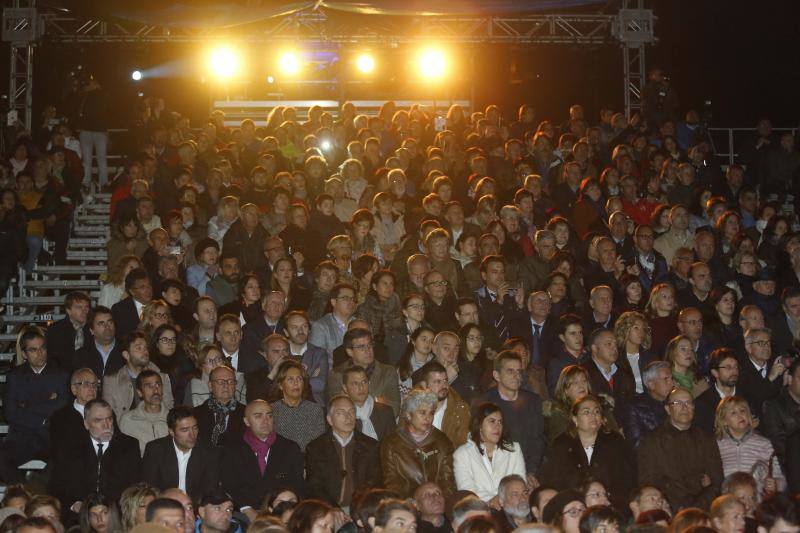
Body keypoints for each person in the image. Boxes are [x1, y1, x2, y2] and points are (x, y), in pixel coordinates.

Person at [49, 399, 142, 520]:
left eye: (109, 419)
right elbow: (56, 486)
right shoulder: (70, 449)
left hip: (117, 515)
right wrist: (74, 504)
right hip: (79, 515)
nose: (106, 425)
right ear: (86, 424)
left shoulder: (129, 446)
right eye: (98, 420)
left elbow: (135, 486)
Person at [540, 395, 636, 512]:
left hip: (611, 505)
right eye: (586, 412)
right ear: (575, 419)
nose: (593, 415)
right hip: (574, 508)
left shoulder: (615, 441)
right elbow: (554, 481)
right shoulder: (562, 444)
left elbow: (628, 478)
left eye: (597, 411)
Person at [637, 387, 724, 511]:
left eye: (688, 403)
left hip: (702, 510)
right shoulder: (652, 441)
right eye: (678, 403)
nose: (684, 407)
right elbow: (648, 483)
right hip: (668, 509)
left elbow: (717, 480)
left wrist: (696, 507)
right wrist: (674, 507)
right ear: (668, 409)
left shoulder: (706, 439)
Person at [219, 400, 304, 522]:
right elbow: (229, 485)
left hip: (281, 512)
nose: (266, 421)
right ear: (247, 421)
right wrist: (246, 509)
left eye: (269, 415)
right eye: (258, 416)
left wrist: (281, 510)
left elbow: (297, 485)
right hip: (243, 512)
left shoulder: (289, 448)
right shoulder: (232, 449)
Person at [2, 326, 69, 476]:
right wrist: (44, 416)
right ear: (24, 354)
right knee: (2, 461)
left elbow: (63, 406)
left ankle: (41, 493)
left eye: (42, 348)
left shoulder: (61, 374)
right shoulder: (15, 376)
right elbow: (10, 413)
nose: (40, 354)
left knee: (63, 464)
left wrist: (27, 406)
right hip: (22, 437)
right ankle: (22, 494)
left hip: (51, 437)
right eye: (33, 350)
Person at [305, 394, 382, 509]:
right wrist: (333, 509)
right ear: (330, 419)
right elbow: (315, 486)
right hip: (327, 508)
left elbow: (374, 483)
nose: (348, 417)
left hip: (362, 508)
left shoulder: (370, 446)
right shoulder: (316, 448)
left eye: (351, 412)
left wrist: (359, 508)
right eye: (341, 413)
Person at [483, 351, 546, 489]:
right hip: (496, 472)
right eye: (510, 371)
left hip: (529, 469)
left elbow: (537, 440)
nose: (517, 376)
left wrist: (530, 471)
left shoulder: (533, 401)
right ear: (496, 375)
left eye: (519, 371)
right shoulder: (485, 403)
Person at [380, 387, 456, 498]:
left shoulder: (442, 442)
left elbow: (448, 482)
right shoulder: (392, 443)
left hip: (436, 503)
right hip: (406, 505)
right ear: (408, 415)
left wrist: (435, 501)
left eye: (431, 413)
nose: (428, 418)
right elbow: (392, 483)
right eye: (422, 413)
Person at [142, 405, 220, 503]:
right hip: (163, 506)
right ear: (171, 432)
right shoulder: (156, 450)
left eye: (195, 428)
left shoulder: (209, 452)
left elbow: (208, 490)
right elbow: (151, 488)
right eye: (185, 430)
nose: (192, 435)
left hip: (194, 507)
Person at [453, 402, 526, 503]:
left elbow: (520, 486)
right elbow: (467, 492)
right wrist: (492, 500)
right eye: (492, 421)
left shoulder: (514, 449)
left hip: (511, 507)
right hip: (478, 511)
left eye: (500, 422)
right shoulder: (462, 454)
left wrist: (501, 500)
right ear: (479, 425)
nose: (497, 427)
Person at [714, 396, 785, 495]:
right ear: (724, 421)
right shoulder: (716, 446)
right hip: (728, 502)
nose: (740, 415)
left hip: (756, 502)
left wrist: (776, 483)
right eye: (733, 413)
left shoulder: (763, 443)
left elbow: (779, 476)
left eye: (743, 411)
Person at [327, 327, 401, 415]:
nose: (368, 350)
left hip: (380, 425)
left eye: (369, 345)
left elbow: (394, 409)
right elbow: (339, 410)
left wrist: (353, 400)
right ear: (350, 351)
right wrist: (376, 401)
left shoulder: (388, 372)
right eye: (361, 347)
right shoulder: (337, 374)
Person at [102, 331, 174, 420]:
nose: (145, 351)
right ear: (126, 355)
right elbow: (108, 417)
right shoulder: (112, 382)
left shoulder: (162, 377)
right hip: (126, 431)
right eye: (138, 348)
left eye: (145, 348)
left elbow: (169, 410)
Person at [269, 359, 326, 452]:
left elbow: (318, 445)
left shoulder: (315, 410)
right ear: (280, 385)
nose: (296, 383)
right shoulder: (272, 410)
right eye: (290, 379)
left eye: (299, 379)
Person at [412, 361, 471, 448]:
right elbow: (402, 442)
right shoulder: (412, 406)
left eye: (445, 380)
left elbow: (464, 447)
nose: (444, 386)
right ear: (425, 385)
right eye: (437, 382)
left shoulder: (460, 409)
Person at [619, 361, 675, 448]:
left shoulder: (676, 402)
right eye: (666, 379)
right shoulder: (633, 408)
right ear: (651, 384)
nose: (672, 383)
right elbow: (636, 444)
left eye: (672, 379)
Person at [580, 328, 635, 412]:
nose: (614, 348)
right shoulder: (582, 373)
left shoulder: (625, 374)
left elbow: (631, 406)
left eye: (615, 344)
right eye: (609, 344)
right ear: (594, 348)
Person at [119, 369, 170, 455]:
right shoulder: (128, 420)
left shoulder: (173, 418)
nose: (155, 390)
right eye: (149, 386)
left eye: (158, 384)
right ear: (139, 392)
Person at [738, 327, 784, 421]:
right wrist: (770, 377)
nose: (766, 347)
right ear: (748, 347)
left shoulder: (777, 366)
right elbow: (754, 400)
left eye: (768, 343)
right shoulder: (740, 371)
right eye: (761, 343)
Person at [193, 365, 245, 448]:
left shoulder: (246, 413)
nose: (226, 385)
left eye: (230, 381)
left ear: (235, 385)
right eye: (221, 382)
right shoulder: (195, 414)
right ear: (210, 386)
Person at [341, 365, 396, 441]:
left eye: (364, 382)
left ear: (369, 383)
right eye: (355, 383)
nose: (361, 387)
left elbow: (392, 445)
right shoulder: (340, 416)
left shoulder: (385, 412)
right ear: (345, 388)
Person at [284, 310, 328, 405]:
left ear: (309, 330)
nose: (300, 331)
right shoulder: (281, 353)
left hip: (314, 406)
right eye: (295, 327)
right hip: (286, 406)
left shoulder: (319, 353)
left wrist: (289, 382)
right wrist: (308, 377)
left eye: (304, 326)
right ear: (286, 332)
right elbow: (276, 385)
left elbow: (320, 385)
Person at [310, 283, 357, 367]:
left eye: (353, 299)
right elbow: (317, 359)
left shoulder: (360, 324)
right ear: (333, 302)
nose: (351, 302)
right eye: (345, 298)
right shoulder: (321, 326)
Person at [73, 306, 126, 380]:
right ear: (92, 330)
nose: (107, 326)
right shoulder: (81, 356)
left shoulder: (126, 351)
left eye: (110, 322)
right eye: (101, 323)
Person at [694, 348, 739, 434]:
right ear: (715, 372)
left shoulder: (748, 396)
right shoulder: (703, 403)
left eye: (736, 366)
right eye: (728, 367)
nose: (734, 371)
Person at [44, 291, 92, 371]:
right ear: (68, 310)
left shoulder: (93, 327)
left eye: (86, 307)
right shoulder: (55, 330)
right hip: (62, 375)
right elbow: (52, 359)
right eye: (79, 307)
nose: (84, 311)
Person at [112, 268, 154, 339]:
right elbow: (119, 337)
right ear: (132, 291)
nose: (148, 290)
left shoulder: (158, 305)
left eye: (149, 285)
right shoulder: (119, 309)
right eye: (142, 287)